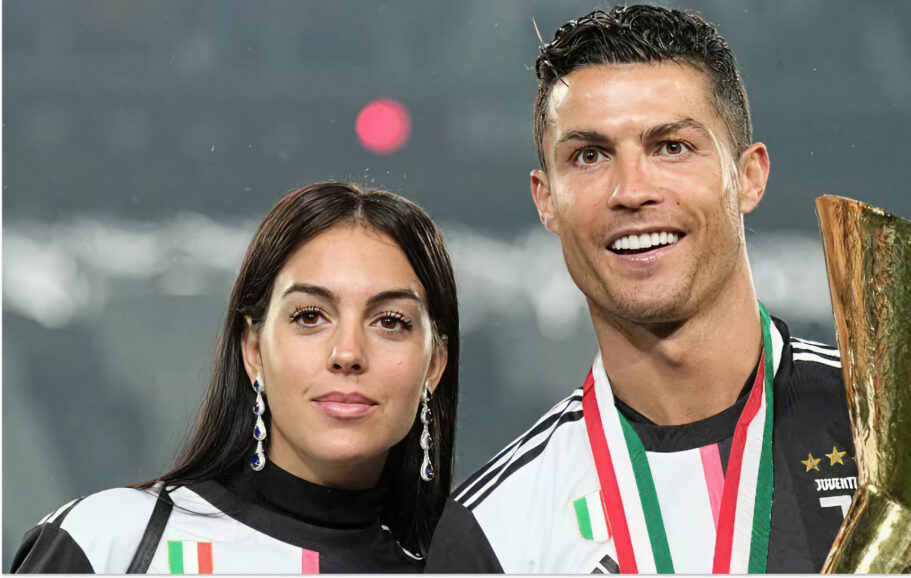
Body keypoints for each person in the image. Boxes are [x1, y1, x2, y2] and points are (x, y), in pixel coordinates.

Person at [426, 5, 855, 574]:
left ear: (749, 176)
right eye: (589, 156)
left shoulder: (891, 427)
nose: (631, 191)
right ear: (546, 200)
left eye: (671, 147)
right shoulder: (495, 533)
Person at [12, 182, 460, 573]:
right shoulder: (108, 545)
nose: (347, 353)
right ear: (253, 349)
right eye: (309, 316)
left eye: (390, 322)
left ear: (434, 364)